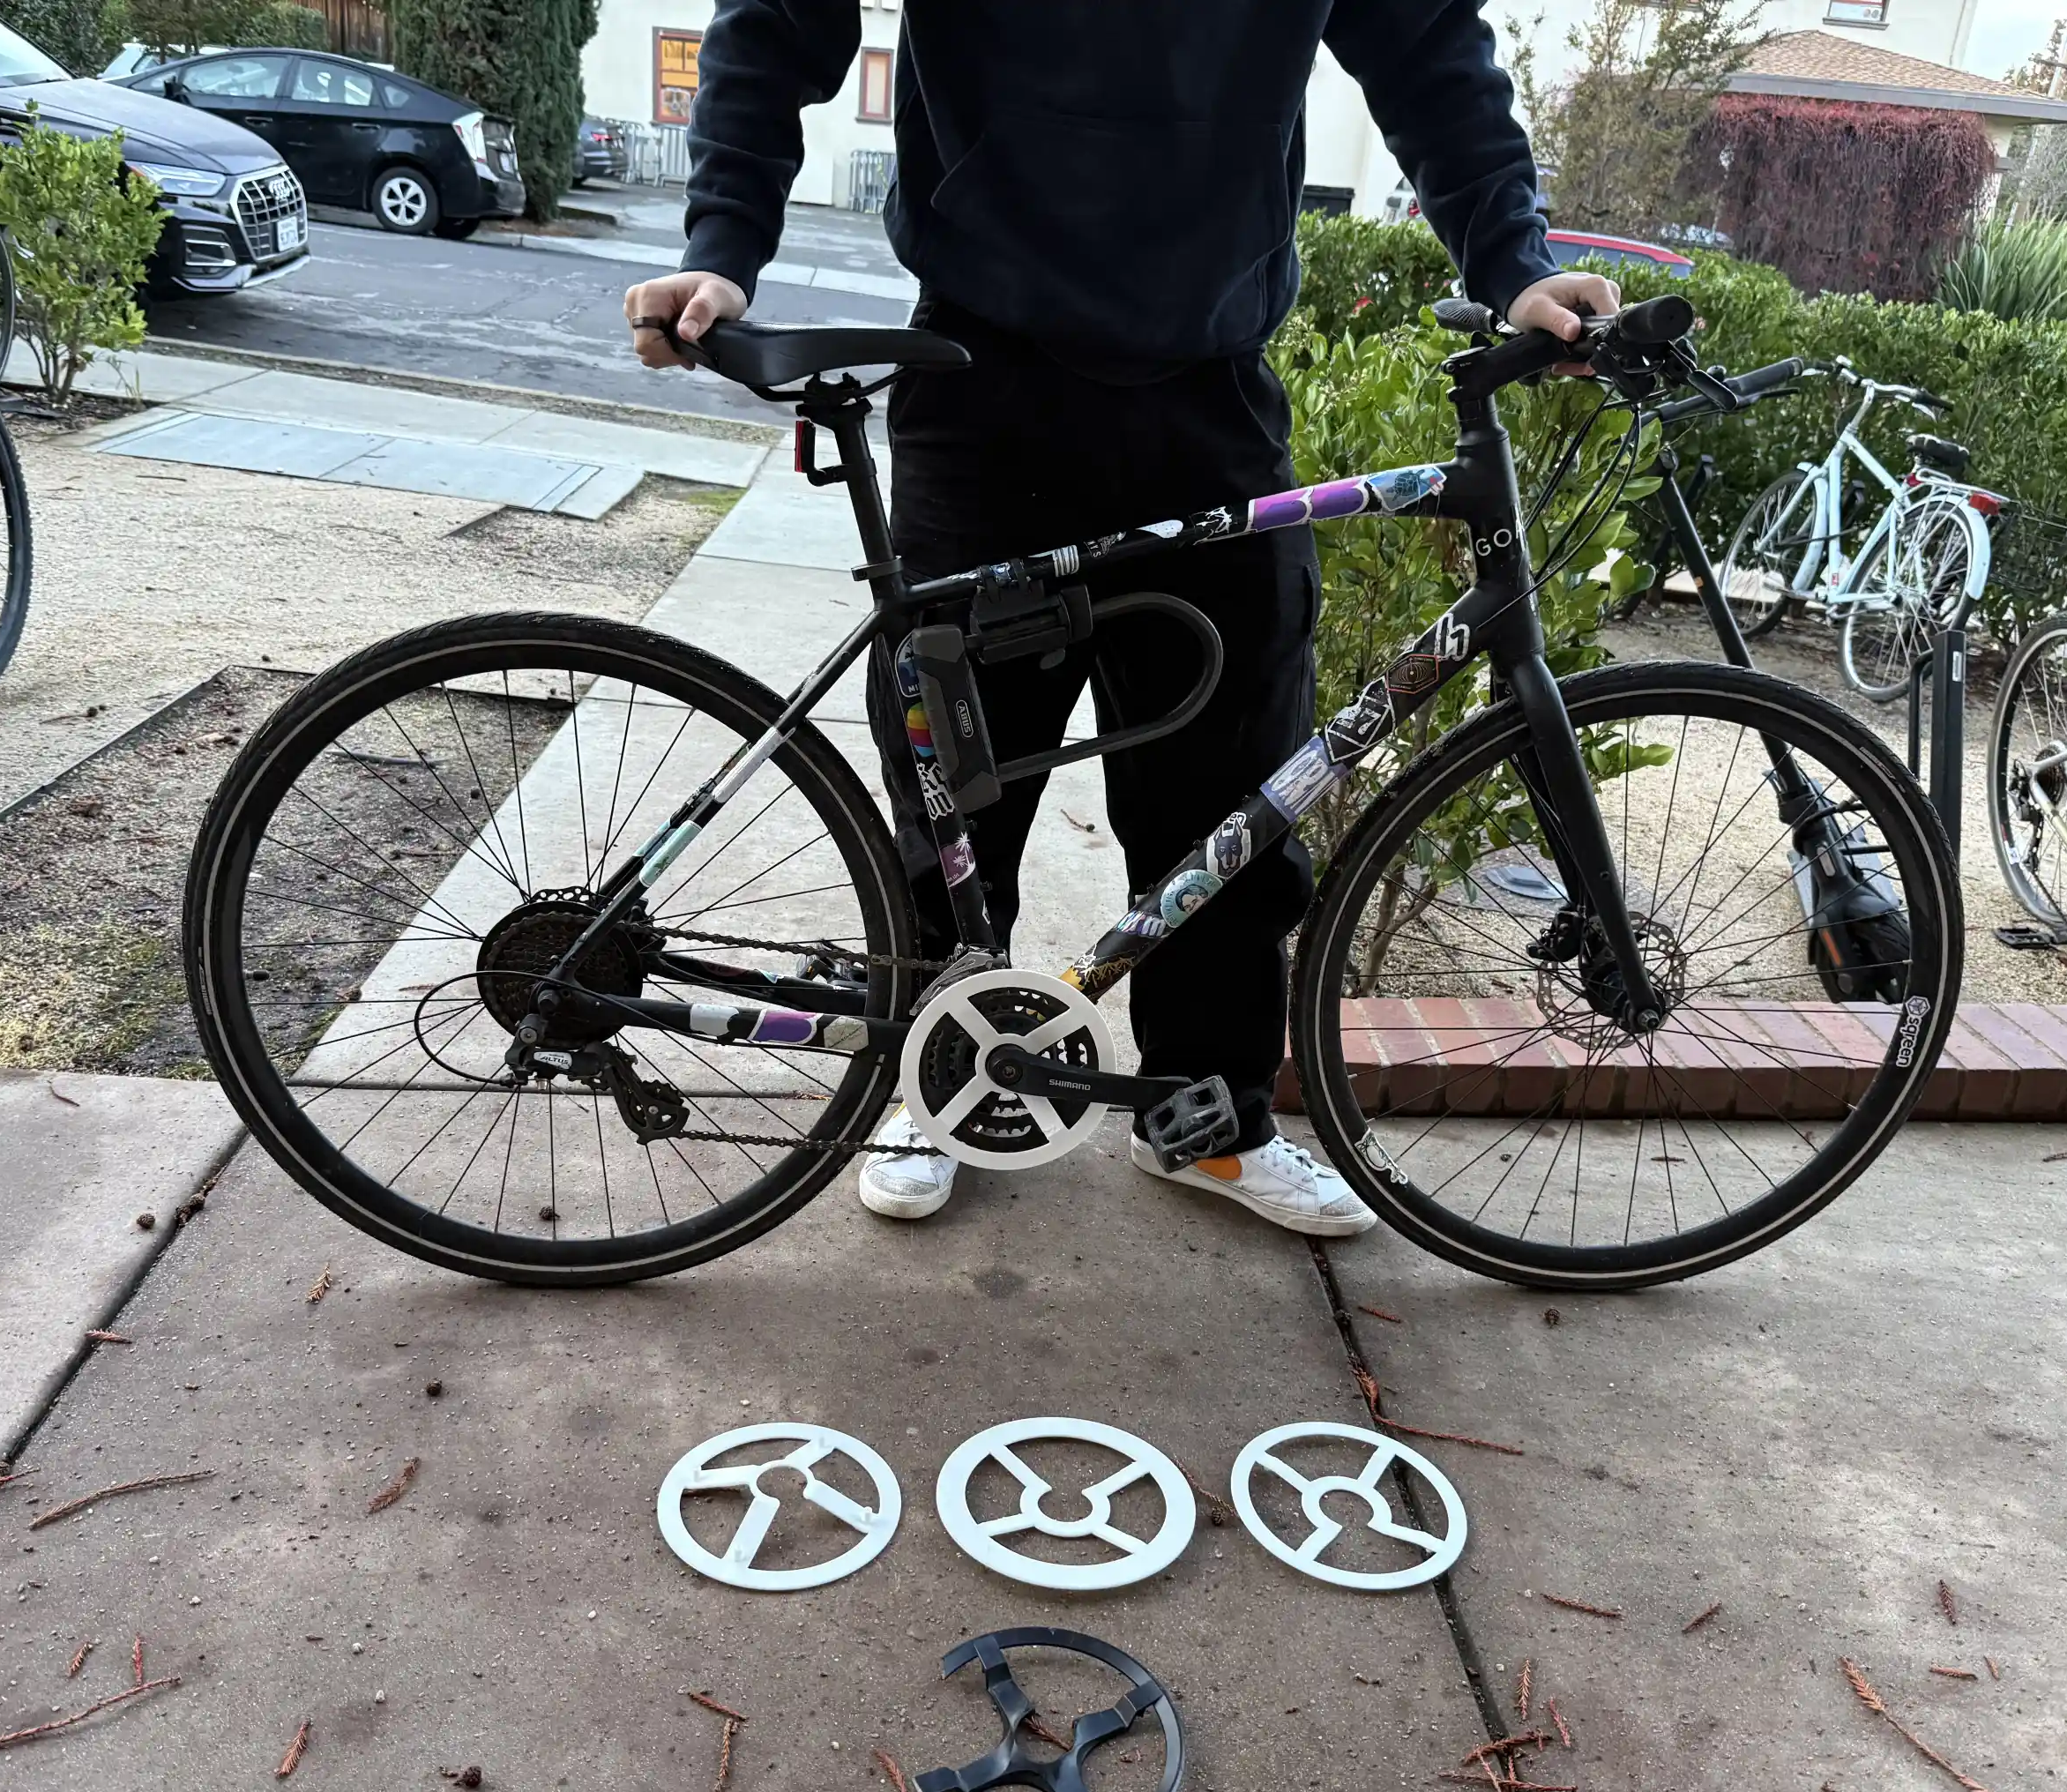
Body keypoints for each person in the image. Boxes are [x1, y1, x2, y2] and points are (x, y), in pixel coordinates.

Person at [626, 2, 1620, 1237]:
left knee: (1230, 794)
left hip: (1211, 393)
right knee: (954, 793)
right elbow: (781, 14)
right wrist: (726, 242)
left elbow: (1427, 50)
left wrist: (1514, 264)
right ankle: (938, 1076)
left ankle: (1207, 1118)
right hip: (981, 382)